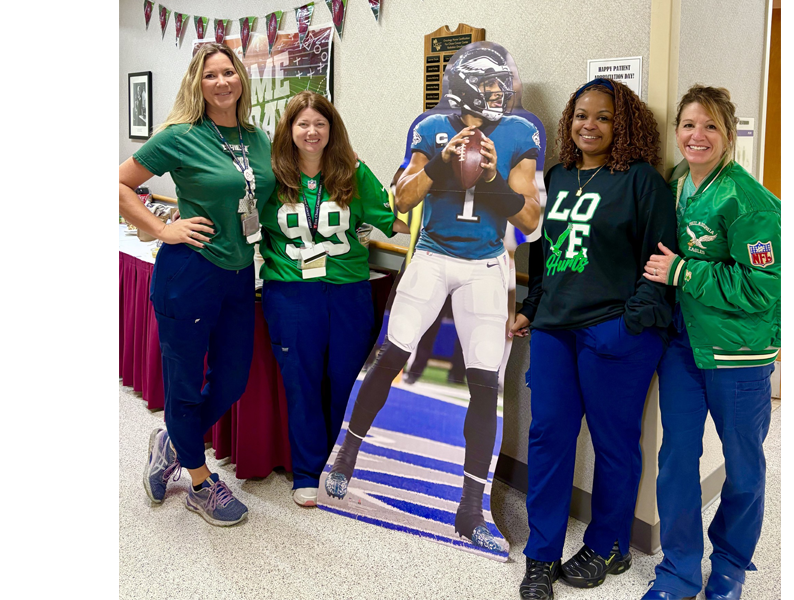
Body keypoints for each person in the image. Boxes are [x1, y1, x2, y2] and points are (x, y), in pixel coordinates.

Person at [323, 45, 542, 552]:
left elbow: (529, 221)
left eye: (500, 84)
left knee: (486, 383)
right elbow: (401, 200)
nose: (498, 93)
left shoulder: (519, 132)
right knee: (390, 355)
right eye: (489, 85)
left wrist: (490, 180)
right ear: (464, 85)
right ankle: (347, 457)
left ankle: (470, 510)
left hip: (486, 263)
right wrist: (443, 165)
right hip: (432, 255)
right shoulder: (431, 127)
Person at [509, 78, 676, 600]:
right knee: (549, 438)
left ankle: (609, 544)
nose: (590, 125)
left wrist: (630, 323)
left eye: (603, 117)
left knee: (615, 444)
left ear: (621, 124)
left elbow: (661, 259)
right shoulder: (555, 177)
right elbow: (542, 260)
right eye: (582, 115)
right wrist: (531, 309)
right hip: (557, 330)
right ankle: (541, 556)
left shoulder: (641, 181)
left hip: (615, 333)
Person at [118, 43, 276, 526]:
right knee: (185, 388)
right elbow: (122, 184)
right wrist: (163, 228)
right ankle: (200, 482)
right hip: (188, 273)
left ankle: (170, 441)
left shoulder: (256, 136)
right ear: (197, 83)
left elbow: (262, 195)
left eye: (230, 72)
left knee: (230, 379)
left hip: (237, 274)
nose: (223, 81)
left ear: (241, 80)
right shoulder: (180, 136)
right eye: (212, 75)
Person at [639, 85, 781, 600]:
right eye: (688, 125)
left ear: (729, 134)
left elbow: (763, 289)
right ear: (676, 131)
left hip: (739, 356)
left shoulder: (750, 202)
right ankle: (677, 569)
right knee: (676, 458)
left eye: (711, 127)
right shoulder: (677, 182)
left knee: (743, 466)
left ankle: (730, 566)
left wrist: (683, 271)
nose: (697, 136)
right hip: (684, 348)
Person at [258, 91, 409, 507]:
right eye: (303, 124)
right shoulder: (272, 175)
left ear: (332, 130)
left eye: (320, 124)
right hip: (291, 292)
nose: (311, 131)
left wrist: (442, 212)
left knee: (347, 380)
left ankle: (341, 467)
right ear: (289, 130)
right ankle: (307, 472)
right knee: (302, 382)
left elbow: (393, 220)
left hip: (347, 291)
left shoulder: (352, 172)